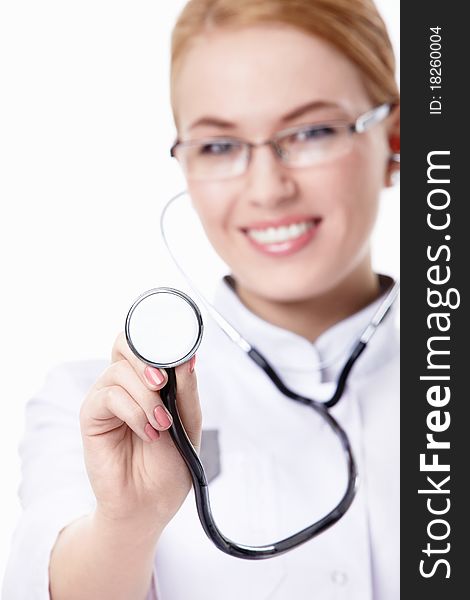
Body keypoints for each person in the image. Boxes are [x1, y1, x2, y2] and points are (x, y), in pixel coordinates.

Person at [3, 0, 400, 598]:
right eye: (219, 146)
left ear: (396, 138)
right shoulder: (93, 408)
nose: (268, 189)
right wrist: (128, 520)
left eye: (313, 132)